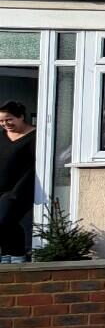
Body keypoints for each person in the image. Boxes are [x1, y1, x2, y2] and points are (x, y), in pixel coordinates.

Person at [0, 100, 36, 262]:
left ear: (21, 117)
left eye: (9, 119)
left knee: (5, 218)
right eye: (1, 121)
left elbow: (34, 166)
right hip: (1, 186)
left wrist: (18, 190)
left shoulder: (35, 137)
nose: (5, 124)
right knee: (8, 222)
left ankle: (18, 253)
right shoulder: (2, 136)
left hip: (19, 189)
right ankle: (9, 254)